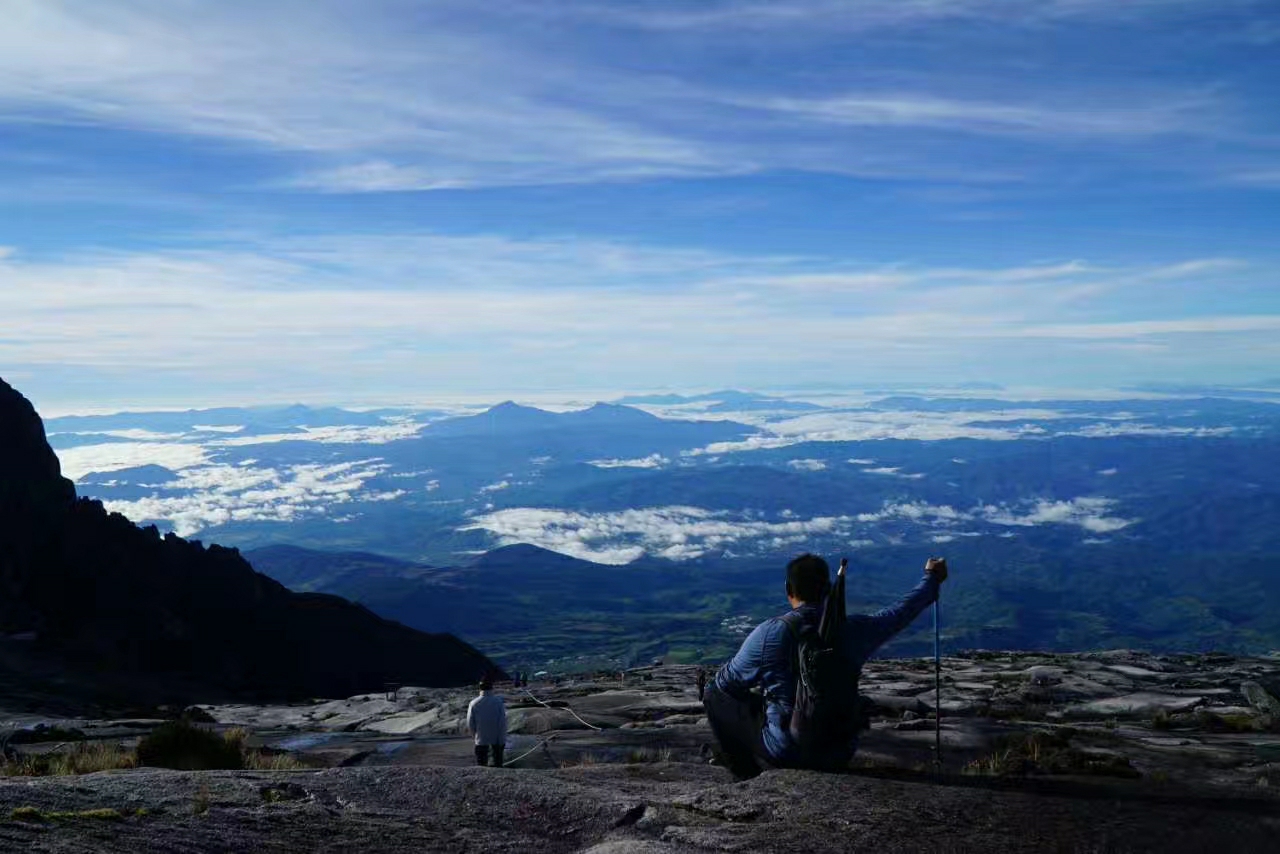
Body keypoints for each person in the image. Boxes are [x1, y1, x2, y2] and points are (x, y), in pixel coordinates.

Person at [704, 553, 947, 777]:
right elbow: (900, 613)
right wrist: (931, 578)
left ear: (789, 590)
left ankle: (745, 778)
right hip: (839, 751)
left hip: (788, 751)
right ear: (829, 589)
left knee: (713, 694)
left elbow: (726, 684)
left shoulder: (772, 633)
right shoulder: (854, 630)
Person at [467, 676, 507, 767]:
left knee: (481, 766)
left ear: (480, 688)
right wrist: (502, 740)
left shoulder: (474, 703)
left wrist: (475, 737)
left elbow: (470, 723)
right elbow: (502, 722)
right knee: (498, 766)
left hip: (481, 739)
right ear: (491, 687)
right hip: (497, 740)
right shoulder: (498, 702)